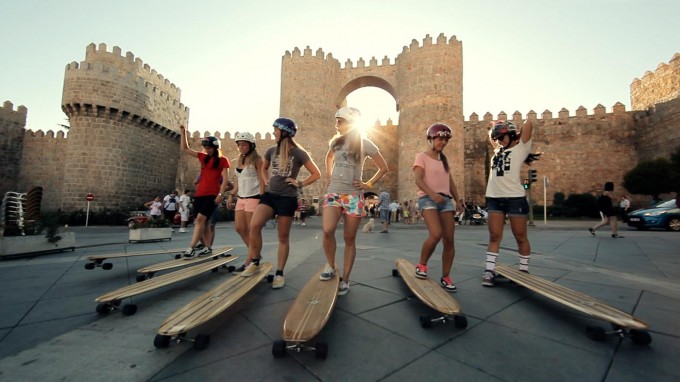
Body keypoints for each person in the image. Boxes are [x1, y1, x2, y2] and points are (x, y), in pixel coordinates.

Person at [240, 118, 321, 289]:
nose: (273, 132)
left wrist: (300, 183)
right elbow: (263, 168)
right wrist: (266, 180)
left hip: (287, 198)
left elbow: (316, 173)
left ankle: (279, 273)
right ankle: (255, 261)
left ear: (284, 132)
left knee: (283, 237)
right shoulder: (270, 151)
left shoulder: (299, 153)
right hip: (270, 196)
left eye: (275, 129)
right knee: (254, 226)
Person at [320, 107, 389, 296]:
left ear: (350, 122)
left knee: (349, 239)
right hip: (334, 193)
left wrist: (367, 184)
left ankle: (346, 279)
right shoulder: (335, 142)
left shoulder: (365, 144)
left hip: (353, 196)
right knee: (327, 230)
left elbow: (383, 167)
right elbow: (329, 157)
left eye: (340, 120)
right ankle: (331, 265)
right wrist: (329, 175)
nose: (336, 124)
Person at [482, 119, 538, 287]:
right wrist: (496, 128)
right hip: (494, 198)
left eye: (501, 137)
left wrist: (513, 131)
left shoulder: (521, 148)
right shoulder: (498, 149)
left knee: (520, 237)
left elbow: (528, 123)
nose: (498, 141)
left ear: (511, 134)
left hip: (515, 198)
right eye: (497, 138)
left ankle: (523, 270)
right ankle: (489, 270)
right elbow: (490, 136)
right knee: (494, 236)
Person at [413, 123, 462, 292]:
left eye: (446, 139)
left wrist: (458, 200)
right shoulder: (422, 157)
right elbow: (418, 180)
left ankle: (446, 276)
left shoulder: (444, 161)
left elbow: (450, 182)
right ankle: (421, 265)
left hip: (446, 201)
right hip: (427, 199)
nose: (443, 142)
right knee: (436, 234)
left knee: (449, 240)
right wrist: (433, 194)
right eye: (440, 139)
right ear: (431, 139)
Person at [178, 125, 231, 258]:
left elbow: (225, 180)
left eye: (209, 148)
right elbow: (185, 149)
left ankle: (191, 248)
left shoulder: (223, 160)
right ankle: (208, 248)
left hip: (212, 195)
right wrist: (183, 132)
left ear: (215, 147)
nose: (207, 150)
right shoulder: (203, 157)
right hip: (199, 194)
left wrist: (221, 194)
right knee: (204, 222)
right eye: (206, 148)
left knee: (201, 219)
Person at [227, 132, 265, 273]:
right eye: (239, 145)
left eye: (244, 144)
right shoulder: (239, 160)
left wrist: (262, 197)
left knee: (252, 231)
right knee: (240, 228)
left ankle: (250, 261)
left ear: (251, 145)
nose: (241, 147)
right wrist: (231, 195)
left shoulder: (257, 160)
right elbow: (239, 180)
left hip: (254, 197)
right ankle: (256, 254)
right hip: (241, 198)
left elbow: (262, 179)